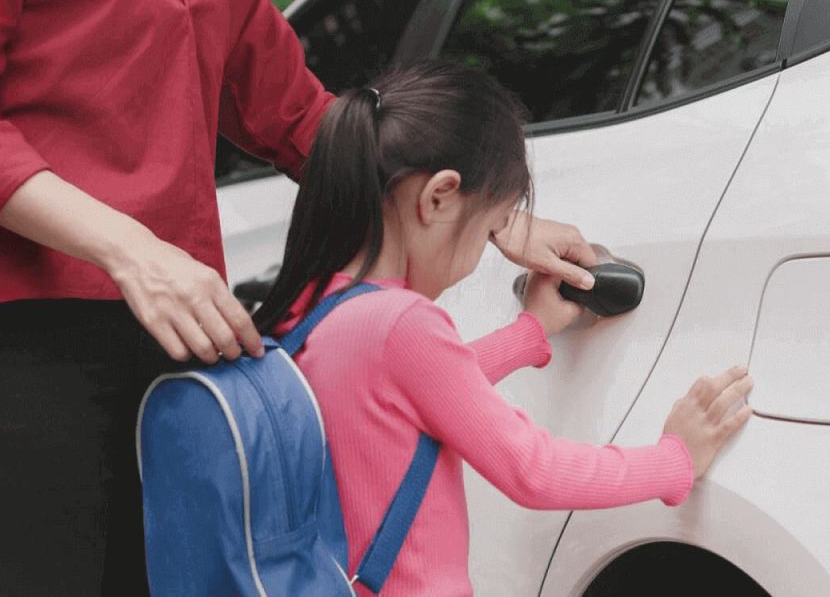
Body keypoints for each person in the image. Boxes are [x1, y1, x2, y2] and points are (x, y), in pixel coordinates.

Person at [0, 0, 598, 594]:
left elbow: (297, 119)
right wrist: (131, 249)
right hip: (16, 327)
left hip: (186, 333)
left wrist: (486, 213)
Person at [257, 60, 754, 596]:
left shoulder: (315, 309)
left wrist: (529, 334)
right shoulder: (400, 323)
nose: (477, 259)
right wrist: (673, 460)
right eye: (492, 228)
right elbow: (531, 470)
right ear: (439, 197)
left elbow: (421, 390)